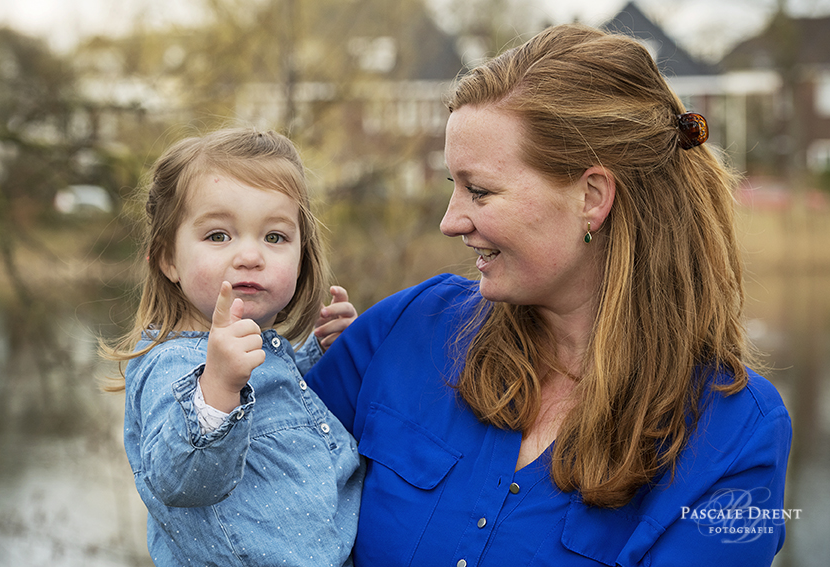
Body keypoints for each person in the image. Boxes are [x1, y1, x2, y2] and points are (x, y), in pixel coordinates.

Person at [305, 24, 792, 567]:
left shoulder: (737, 435)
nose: (450, 221)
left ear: (591, 197)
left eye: (480, 191)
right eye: (453, 187)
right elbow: (253, 483)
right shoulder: (408, 327)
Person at [103, 127, 364, 567]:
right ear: (167, 258)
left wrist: (324, 353)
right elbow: (181, 479)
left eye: (275, 237)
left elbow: (279, 405)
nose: (250, 255)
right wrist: (219, 386)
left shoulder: (262, 349)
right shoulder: (173, 365)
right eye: (218, 236)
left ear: (302, 259)